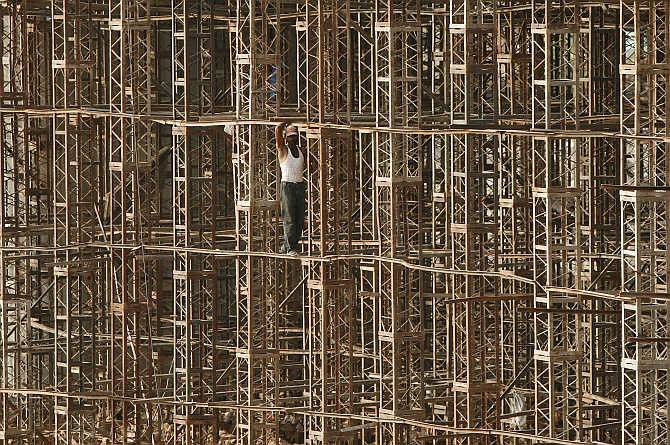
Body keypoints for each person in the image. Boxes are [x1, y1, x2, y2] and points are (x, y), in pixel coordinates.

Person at [275, 123, 305, 256]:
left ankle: (289, 245)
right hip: (288, 186)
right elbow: (277, 132)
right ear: (286, 138)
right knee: (290, 217)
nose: (293, 139)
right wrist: (283, 123)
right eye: (290, 137)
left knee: (299, 218)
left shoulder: (300, 150)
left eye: (295, 137)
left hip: (299, 185)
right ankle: (290, 248)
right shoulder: (283, 150)